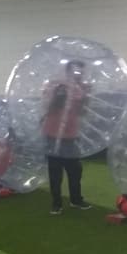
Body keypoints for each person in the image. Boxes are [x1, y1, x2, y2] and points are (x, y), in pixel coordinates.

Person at [42, 59, 91, 215]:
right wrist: (60, 94)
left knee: (75, 170)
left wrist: (85, 97)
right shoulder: (57, 85)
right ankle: (56, 203)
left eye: (81, 72)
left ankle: (76, 199)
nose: (79, 74)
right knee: (55, 170)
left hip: (70, 134)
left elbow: (82, 112)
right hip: (53, 133)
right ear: (68, 71)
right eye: (76, 71)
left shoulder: (82, 88)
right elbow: (47, 106)